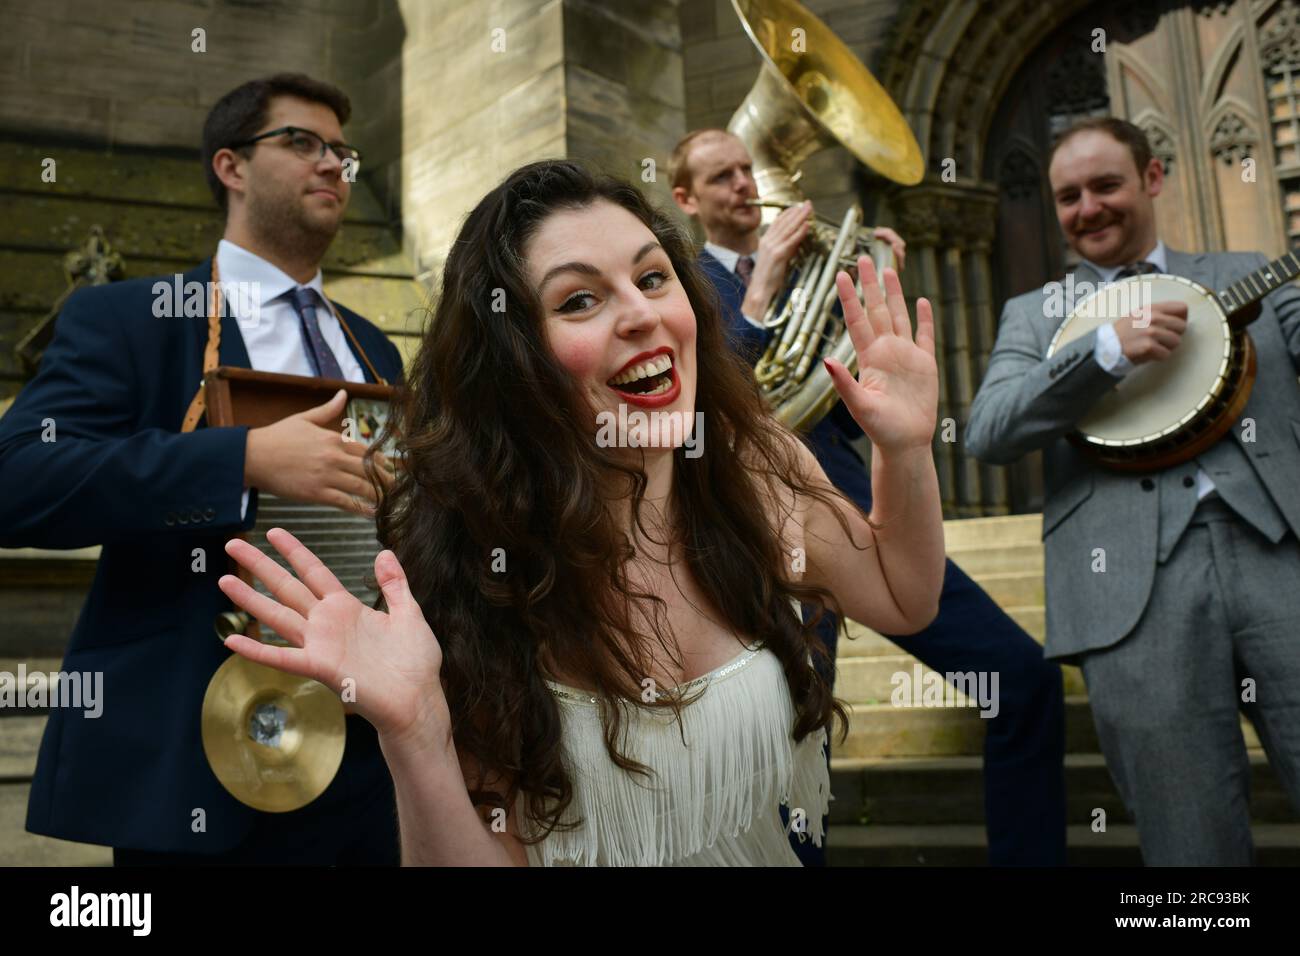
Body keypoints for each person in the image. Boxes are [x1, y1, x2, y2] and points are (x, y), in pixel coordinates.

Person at [215, 158, 946, 866]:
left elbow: (902, 595)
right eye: (578, 300)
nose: (642, 315)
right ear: (514, 359)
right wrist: (416, 734)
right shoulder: (468, 575)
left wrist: (906, 450)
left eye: (654, 277)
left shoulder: (753, 464)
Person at [0, 73, 405, 864]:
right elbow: (18, 479)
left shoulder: (376, 348)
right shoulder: (127, 318)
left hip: (362, 754)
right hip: (198, 759)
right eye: (302, 142)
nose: (333, 165)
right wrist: (246, 459)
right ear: (231, 166)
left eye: (343, 153)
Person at [669, 127, 1068, 866]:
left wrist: (874, 286)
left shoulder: (816, 268)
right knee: (797, 745)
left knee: (1022, 678)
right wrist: (757, 301)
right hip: (758, 532)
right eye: (721, 177)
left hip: (852, 500)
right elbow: (699, 414)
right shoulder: (681, 285)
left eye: (746, 169)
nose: (744, 185)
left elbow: (852, 402)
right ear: (685, 198)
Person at [967, 116, 1300, 865]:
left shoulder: (1249, 268)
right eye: (1068, 196)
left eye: (1106, 185)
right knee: (1189, 853)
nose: (1088, 208)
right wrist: (1104, 353)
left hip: (1286, 557)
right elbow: (988, 430)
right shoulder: (1035, 315)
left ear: (1152, 178)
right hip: (1129, 595)